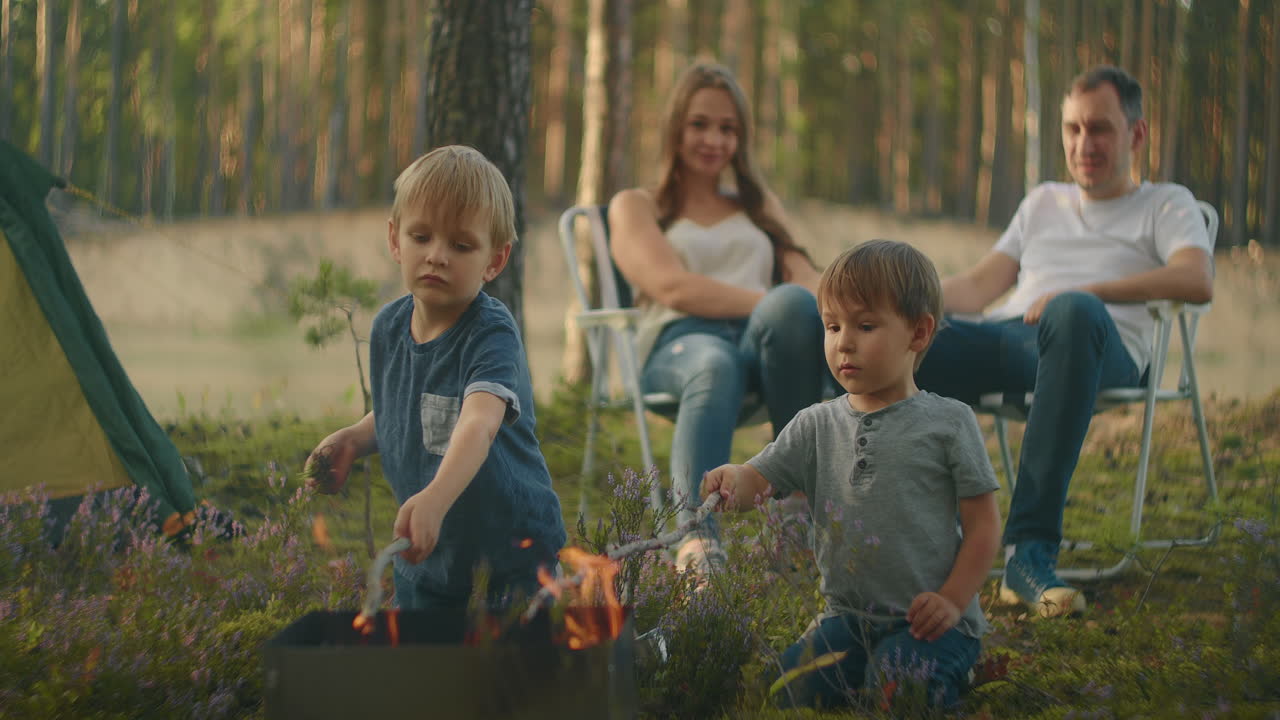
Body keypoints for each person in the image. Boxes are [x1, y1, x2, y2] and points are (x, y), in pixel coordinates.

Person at [915, 65, 1214, 618]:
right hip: (1009, 340)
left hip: (1098, 348)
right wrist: (899, 299)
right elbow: (980, 286)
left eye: (1099, 128)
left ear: (1137, 134)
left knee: (1074, 311)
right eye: (1073, 129)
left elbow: (1197, 279)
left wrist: (1085, 292)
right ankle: (895, 538)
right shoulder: (1042, 202)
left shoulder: (1166, 204)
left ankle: (1028, 557)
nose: (1084, 144)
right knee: (902, 340)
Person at [701, 240, 1002, 710]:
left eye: (865, 326)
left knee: (900, 687)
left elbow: (984, 526)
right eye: (832, 326)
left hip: (932, 622)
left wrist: (952, 599)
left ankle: (946, 669)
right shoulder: (816, 424)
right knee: (783, 691)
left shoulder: (949, 423)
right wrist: (732, 481)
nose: (843, 342)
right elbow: (759, 480)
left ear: (918, 333)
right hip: (847, 620)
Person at [303, 145, 566, 610]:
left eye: (461, 245)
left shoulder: (491, 335)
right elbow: (403, 406)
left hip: (512, 554)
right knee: (430, 672)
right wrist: (353, 439)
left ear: (495, 260)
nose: (437, 256)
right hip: (431, 550)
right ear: (395, 239)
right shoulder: (388, 327)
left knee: (515, 673)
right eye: (421, 236)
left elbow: (477, 422)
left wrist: (435, 497)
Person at [608, 62, 829, 577]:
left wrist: (854, 308)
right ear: (674, 128)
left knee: (792, 308)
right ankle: (696, 542)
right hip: (679, 344)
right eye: (700, 124)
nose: (714, 139)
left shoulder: (756, 206)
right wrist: (769, 298)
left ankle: (795, 516)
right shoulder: (638, 206)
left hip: (758, 349)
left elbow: (807, 282)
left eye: (728, 129)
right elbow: (671, 287)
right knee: (718, 359)